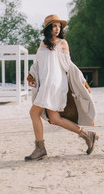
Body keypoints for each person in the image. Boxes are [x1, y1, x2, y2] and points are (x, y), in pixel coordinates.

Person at [25, 14, 98, 162]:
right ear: (47, 28)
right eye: (54, 26)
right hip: (46, 84)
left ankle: (40, 149)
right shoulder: (42, 44)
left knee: (34, 113)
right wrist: (31, 76)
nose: (57, 28)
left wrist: (83, 82)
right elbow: (38, 64)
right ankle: (87, 135)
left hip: (55, 84)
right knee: (55, 118)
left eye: (59, 26)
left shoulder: (62, 43)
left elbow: (69, 65)